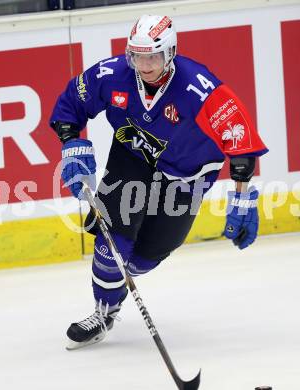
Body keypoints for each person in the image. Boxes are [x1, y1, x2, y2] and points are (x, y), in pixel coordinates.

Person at [50, 14, 268, 350]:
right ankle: (104, 310)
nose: (145, 65)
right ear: (129, 54)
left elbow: (238, 140)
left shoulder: (199, 87)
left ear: (170, 53)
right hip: (133, 157)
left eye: (153, 56)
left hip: (187, 173)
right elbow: (71, 104)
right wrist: (71, 144)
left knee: (146, 257)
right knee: (113, 249)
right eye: (138, 56)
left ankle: (118, 284)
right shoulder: (112, 75)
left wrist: (242, 196)